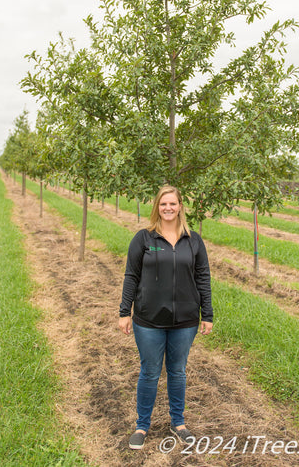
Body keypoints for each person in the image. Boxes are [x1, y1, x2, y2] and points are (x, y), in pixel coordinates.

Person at [118, 184, 213, 450]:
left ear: (180, 206)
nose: (168, 208)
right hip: (148, 319)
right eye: (163, 204)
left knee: (178, 371)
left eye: (172, 203)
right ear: (157, 207)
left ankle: (178, 422)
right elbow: (131, 275)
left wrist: (207, 313)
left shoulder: (193, 240)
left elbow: (203, 277)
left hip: (184, 320)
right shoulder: (144, 239)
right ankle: (142, 425)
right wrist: (125, 311)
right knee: (149, 372)